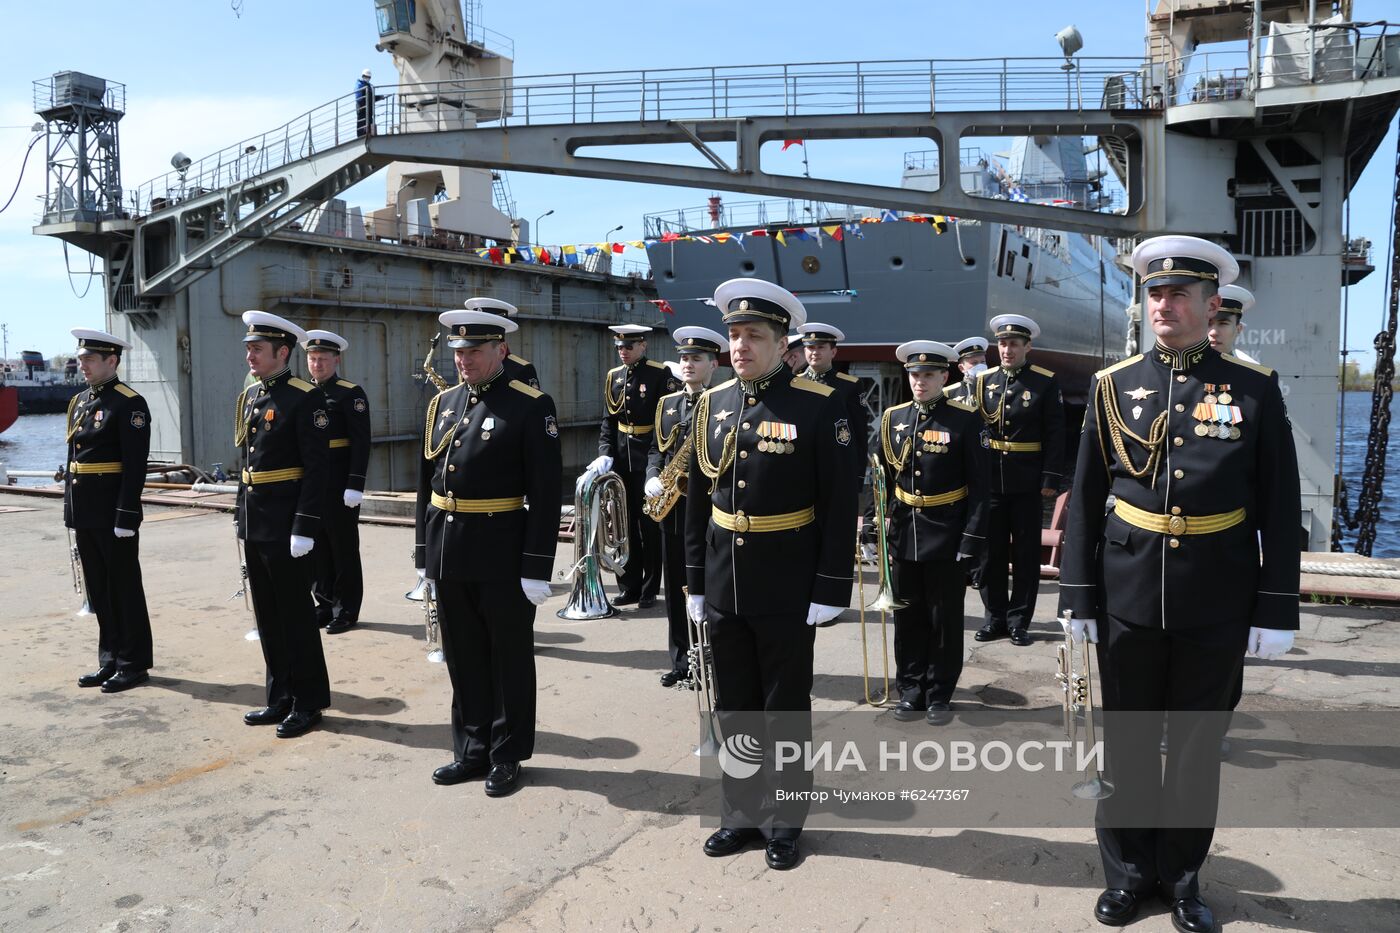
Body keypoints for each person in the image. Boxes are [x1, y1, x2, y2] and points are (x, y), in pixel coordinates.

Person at [1058, 235, 1300, 933]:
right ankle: (1129, 876)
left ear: (1210, 303)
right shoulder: (1113, 386)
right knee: (1128, 744)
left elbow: (1280, 505)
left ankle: (1185, 879)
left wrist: (1276, 605)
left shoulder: (1255, 389)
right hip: (1129, 589)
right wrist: (1077, 597)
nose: (1163, 304)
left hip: (1217, 593)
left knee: (1195, 749)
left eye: (1179, 294)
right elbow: (1086, 495)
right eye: (1155, 293)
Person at [685, 278, 858, 871]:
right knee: (734, 706)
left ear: (782, 342)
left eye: (752, 335)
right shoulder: (714, 402)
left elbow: (840, 501)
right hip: (724, 578)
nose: (739, 346)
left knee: (784, 707)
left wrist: (832, 584)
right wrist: (692, 582)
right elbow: (696, 497)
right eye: (733, 335)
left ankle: (784, 822)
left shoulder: (819, 403)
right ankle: (741, 813)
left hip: (786, 579)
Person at [415, 308, 562, 798]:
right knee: (463, 656)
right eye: (458, 351)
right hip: (450, 551)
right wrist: (425, 555)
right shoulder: (444, 404)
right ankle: (472, 749)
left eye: (474, 351)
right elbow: (427, 485)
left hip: (502, 552)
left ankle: (507, 753)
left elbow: (545, 492)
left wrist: (537, 566)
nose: (464, 360)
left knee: (508, 660)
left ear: (501, 351)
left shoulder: (531, 405)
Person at [875, 341, 986, 725]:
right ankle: (910, 690)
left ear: (945, 376)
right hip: (905, 531)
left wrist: (970, 539)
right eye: (914, 375)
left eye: (928, 375)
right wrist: (877, 525)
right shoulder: (893, 418)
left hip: (947, 532)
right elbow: (883, 480)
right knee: (907, 617)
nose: (919, 382)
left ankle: (939, 693)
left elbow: (981, 488)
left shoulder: (965, 419)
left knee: (944, 619)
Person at [236, 311, 331, 739]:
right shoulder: (254, 396)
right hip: (257, 520)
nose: (250, 354)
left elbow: (317, 469)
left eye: (258, 348)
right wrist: (243, 516)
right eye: (249, 348)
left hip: (288, 522)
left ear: (282, 352)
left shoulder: (304, 398)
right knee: (268, 616)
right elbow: (249, 464)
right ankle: (279, 696)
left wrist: (305, 526)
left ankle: (308, 701)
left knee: (295, 617)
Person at [65, 328, 153, 693]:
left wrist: (126, 515)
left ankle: (133, 662)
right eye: (82, 358)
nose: (82, 364)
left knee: (123, 587)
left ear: (111, 361)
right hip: (86, 510)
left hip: (111, 512)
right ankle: (110, 658)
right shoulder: (82, 401)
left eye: (90, 359)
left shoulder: (129, 404)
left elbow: (135, 466)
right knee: (99, 589)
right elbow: (74, 459)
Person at [970, 314, 1065, 647]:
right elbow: (974, 433)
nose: (1007, 349)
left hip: (1027, 481)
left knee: (1025, 555)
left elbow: (1056, 432)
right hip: (990, 481)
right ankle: (994, 617)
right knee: (989, 554)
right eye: (1002, 343)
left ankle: (1018, 621)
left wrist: (1051, 477)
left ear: (1028, 346)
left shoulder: (1044, 382)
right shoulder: (983, 382)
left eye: (1013, 344)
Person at [644, 325, 722, 688]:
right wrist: (651, 475)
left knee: (711, 589)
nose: (688, 364)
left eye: (696, 358)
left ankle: (715, 661)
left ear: (713, 363)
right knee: (676, 589)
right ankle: (682, 660)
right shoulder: (667, 404)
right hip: (671, 510)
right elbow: (654, 450)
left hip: (707, 512)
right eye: (684, 358)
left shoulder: (723, 402)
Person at [588, 324, 678, 608]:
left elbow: (666, 422)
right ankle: (630, 586)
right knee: (621, 526)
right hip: (622, 461)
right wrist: (604, 453)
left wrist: (659, 464)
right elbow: (608, 421)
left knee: (650, 528)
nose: (623, 352)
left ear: (643, 346)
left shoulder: (659, 374)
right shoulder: (613, 377)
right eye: (619, 347)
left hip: (648, 457)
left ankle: (650, 587)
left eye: (628, 346)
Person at [301, 329, 370, 635]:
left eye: (323, 359)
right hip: (312, 484)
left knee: (342, 548)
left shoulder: (349, 393)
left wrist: (355, 483)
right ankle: (325, 603)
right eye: (312, 359)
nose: (317, 365)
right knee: (317, 548)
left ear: (336, 359)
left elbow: (361, 441)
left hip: (339, 484)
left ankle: (347, 609)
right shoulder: (304, 393)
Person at [797, 322, 869, 490]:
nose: (814, 352)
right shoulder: (794, 382)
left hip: (836, 467)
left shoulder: (850, 386)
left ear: (833, 352)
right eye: (810, 347)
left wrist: (857, 476)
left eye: (820, 347)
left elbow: (859, 433)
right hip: (801, 467)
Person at [1208, 284, 1259, 363]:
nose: (1213, 332)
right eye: (1207, 323)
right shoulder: (1182, 368)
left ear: (1238, 329)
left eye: (1223, 323)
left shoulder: (1250, 372)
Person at [945, 336, 989, 405]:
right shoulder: (951, 393)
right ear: (961, 368)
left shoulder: (997, 386)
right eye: (974, 363)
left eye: (983, 362)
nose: (980, 366)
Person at [355, 69, 374, 138]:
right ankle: (360, 137)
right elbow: (358, 97)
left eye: (369, 77)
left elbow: (371, 98)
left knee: (369, 123)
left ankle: (369, 134)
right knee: (361, 123)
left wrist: (379, 97)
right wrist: (362, 105)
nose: (367, 78)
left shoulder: (369, 85)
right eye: (366, 76)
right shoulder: (359, 84)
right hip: (362, 108)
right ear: (363, 76)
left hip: (369, 109)